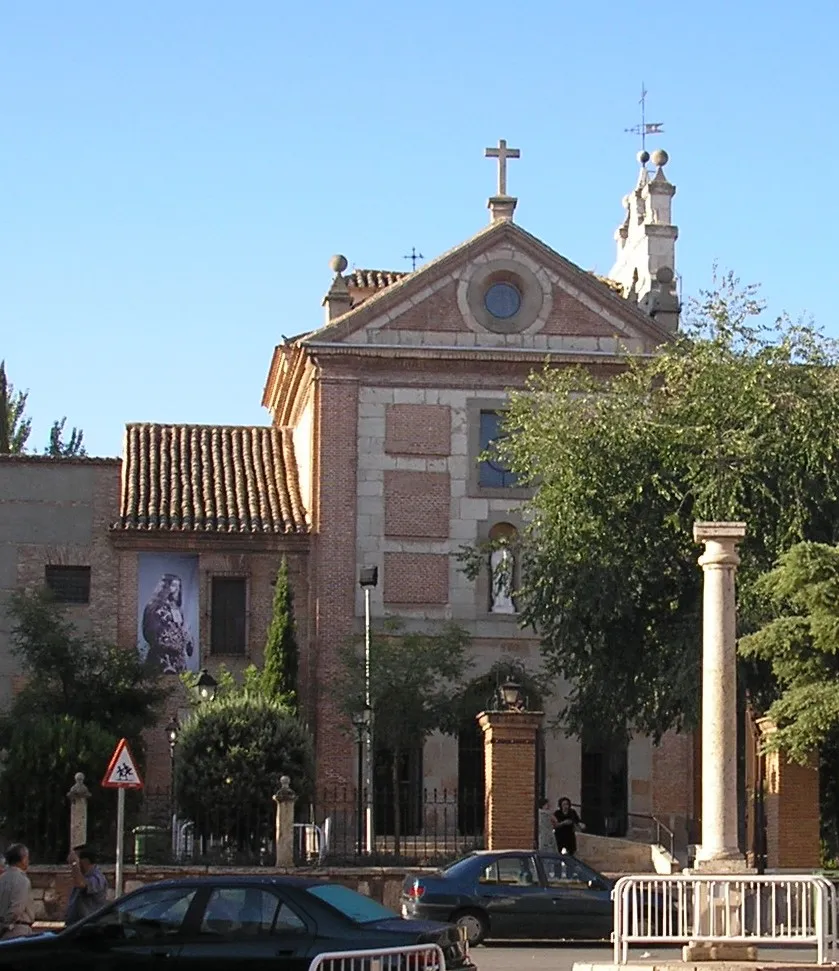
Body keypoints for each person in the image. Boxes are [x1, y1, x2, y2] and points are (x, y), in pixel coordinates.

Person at [65, 846, 108, 925]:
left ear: (86, 861)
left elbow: (80, 884)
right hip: (76, 926)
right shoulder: (83, 876)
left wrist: (74, 864)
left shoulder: (98, 877)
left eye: (77, 858)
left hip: (89, 926)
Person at [0, 844, 35, 938]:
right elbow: (16, 908)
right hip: (17, 929)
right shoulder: (22, 880)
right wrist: (5, 925)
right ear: (23, 859)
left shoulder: (2, 878)